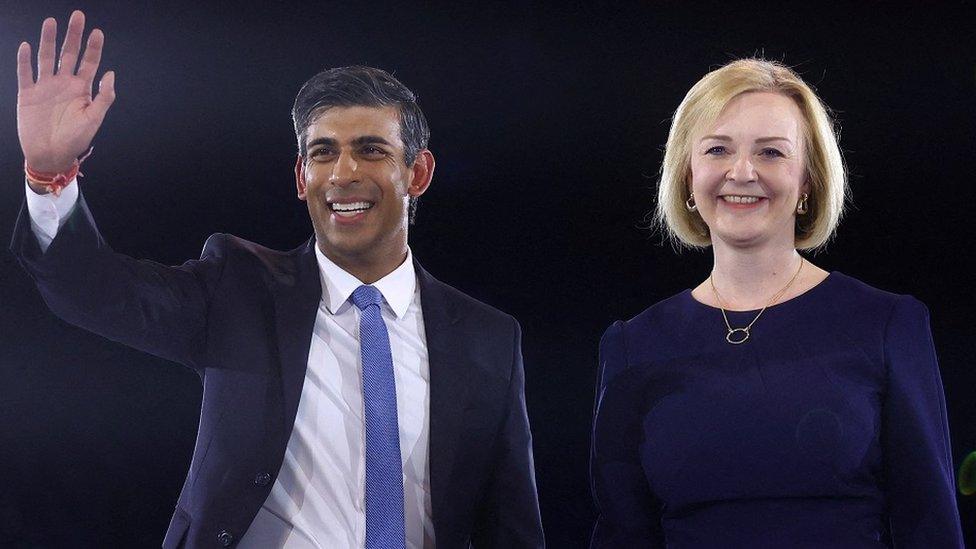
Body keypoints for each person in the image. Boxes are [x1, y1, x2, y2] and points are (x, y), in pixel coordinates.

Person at [11, 11, 544, 549]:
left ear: (418, 173)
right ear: (301, 177)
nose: (343, 173)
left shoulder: (488, 339)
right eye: (323, 152)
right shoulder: (239, 289)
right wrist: (49, 174)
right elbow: (94, 291)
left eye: (371, 149)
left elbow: (511, 526)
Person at [589, 58, 964, 547]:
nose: (742, 172)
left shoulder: (887, 324)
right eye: (718, 149)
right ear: (687, 174)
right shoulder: (633, 345)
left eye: (771, 153)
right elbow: (622, 533)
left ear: (807, 181)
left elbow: (929, 525)